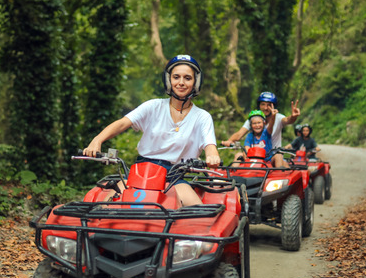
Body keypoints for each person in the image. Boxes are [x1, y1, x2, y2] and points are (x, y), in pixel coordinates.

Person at [82, 55, 221, 207]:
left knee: (198, 213)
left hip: (174, 176)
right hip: (141, 172)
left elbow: (210, 145)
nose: (181, 82)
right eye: (176, 77)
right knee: (105, 207)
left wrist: (212, 156)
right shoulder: (153, 106)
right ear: (169, 80)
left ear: (196, 82)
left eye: (187, 78)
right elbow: (123, 123)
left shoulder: (202, 117)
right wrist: (97, 140)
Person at [221, 91, 300, 167]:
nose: (265, 108)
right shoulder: (253, 121)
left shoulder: (276, 118)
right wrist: (229, 141)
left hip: (271, 156)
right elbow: (239, 134)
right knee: (238, 155)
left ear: (264, 123)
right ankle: (233, 175)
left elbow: (287, 120)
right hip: (253, 157)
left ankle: (279, 176)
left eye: (269, 105)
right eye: (263, 104)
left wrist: (293, 116)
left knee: (283, 163)